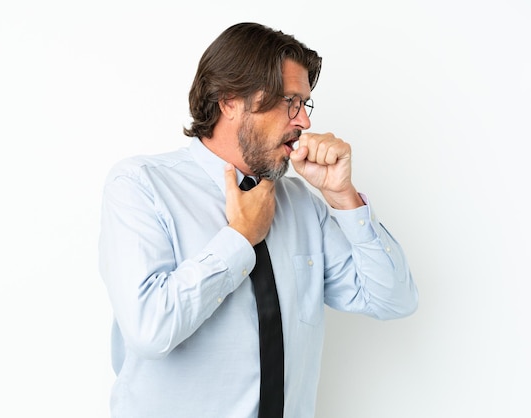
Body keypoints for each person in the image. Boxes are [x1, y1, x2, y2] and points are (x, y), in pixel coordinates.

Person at [98, 22, 418, 418]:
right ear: (230, 99)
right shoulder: (140, 186)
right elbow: (150, 329)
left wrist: (342, 198)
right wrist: (239, 237)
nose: (304, 122)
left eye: (306, 104)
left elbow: (393, 299)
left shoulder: (301, 203)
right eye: (291, 102)